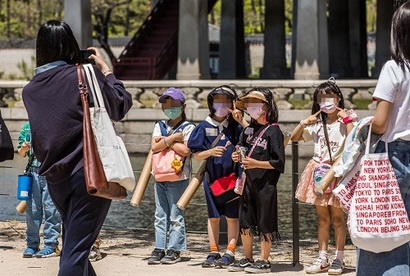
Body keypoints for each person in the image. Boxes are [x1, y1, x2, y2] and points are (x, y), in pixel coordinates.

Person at [21, 20, 132, 276]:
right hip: (88, 173)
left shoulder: (30, 90)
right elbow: (120, 106)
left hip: (54, 179)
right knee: (74, 253)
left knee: (75, 243)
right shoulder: (84, 73)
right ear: (69, 44)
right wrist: (107, 71)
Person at [356, 2, 410, 275]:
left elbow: (380, 123)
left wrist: (362, 127)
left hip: (395, 155)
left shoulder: (395, 69)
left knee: (387, 230)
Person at [290, 79, 355, 275]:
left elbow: (353, 142)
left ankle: (340, 258)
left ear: (338, 98)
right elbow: (294, 138)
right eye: (322, 99)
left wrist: (347, 120)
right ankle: (322, 256)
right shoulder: (317, 124)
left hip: (337, 171)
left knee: (337, 217)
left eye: (329, 97)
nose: (326, 102)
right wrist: (303, 123)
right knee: (322, 218)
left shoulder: (347, 120)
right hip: (318, 172)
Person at [188, 85, 247, 269]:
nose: (222, 105)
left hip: (233, 179)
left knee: (232, 217)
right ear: (211, 103)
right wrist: (211, 151)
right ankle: (213, 250)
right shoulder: (203, 127)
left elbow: (246, 146)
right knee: (212, 217)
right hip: (212, 179)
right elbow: (196, 154)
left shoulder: (236, 126)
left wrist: (239, 155)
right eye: (218, 100)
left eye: (227, 101)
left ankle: (230, 252)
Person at [227, 87, 285, 274]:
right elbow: (243, 148)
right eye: (249, 104)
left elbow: (279, 162)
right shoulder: (249, 129)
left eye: (255, 103)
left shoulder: (274, 131)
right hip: (247, 182)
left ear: (266, 106)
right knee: (245, 221)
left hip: (265, 185)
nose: (251, 107)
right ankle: (248, 257)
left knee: (264, 222)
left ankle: (264, 260)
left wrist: (257, 163)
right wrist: (238, 156)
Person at [147, 87, 195, 265]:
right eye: (166, 104)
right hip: (159, 176)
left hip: (179, 177)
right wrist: (174, 138)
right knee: (160, 215)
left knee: (176, 215)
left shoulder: (189, 127)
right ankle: (159, 247)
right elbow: (154, 147)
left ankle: (175, 249)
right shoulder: (159, 124)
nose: (169, 107)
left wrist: (165, 141)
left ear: (183, 106)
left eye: (174, 104)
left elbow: (186, 150)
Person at [17, 122, 61, 258]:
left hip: (51, 171)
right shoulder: (26, 127)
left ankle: (50, 244)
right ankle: (32, 245)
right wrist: (24, 148)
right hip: (32, 172)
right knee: (32, 211)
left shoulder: (55, 124)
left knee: (52, 209)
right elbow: (21, 152)